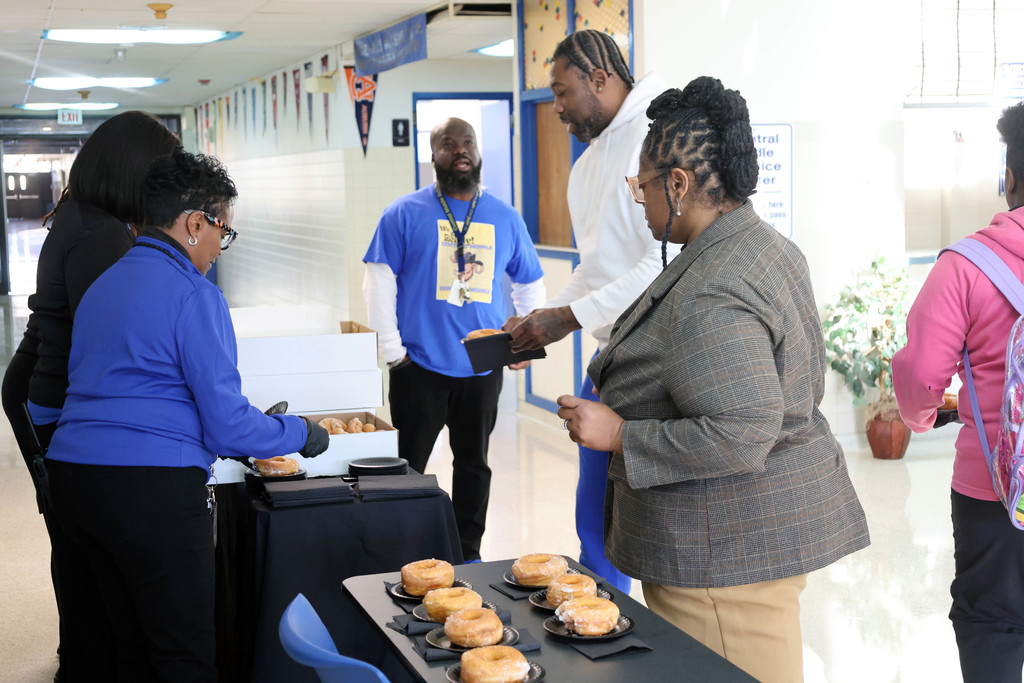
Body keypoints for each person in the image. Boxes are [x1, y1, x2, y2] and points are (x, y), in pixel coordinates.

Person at [555, 77, 870, 683]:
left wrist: (621, 435)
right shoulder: (759, 244)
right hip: (746, 542)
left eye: (640, 187)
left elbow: (741, 432)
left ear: (677, 184)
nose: (638, 202)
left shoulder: (711, 288)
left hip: (723, 557)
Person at [44, 149, 330, 682]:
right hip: (152, 494)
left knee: (129, 645)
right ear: (195, 222)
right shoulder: (195, 295)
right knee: (184, 656)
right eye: (224, 230)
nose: (222, 246)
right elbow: (228, 427)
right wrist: (302, 432)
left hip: (74, 485)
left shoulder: (104, 285)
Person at [0, 110, 181, 681]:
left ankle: (83, 655)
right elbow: (114, 339)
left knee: (77, 542)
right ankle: (83, 662)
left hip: (44, 393)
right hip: (53, 405)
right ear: (132, 171)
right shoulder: (98, 232)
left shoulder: (89, 217)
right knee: (80, 547)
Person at [504, 29, 670, 593]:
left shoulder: (659, 133)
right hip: (612, 360)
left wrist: (568, 318)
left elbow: (667, 264)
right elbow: (595, 269)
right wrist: (541, 319)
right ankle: (602, 631)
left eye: (560, 92)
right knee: (593, 521)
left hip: (666, 366)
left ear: (599, 80)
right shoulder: (585, 168)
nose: (554, 108)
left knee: (652, 530)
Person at [363, 117, 545, 562]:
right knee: (406, 469)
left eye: (468, 142)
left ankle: (468, 552)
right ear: (433, 155)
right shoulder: (404, 214)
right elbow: (379, 280)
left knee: (473, 465)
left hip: (481, 366)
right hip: (418, 366)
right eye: (449, 144)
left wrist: (523, 335)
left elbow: (530, 282)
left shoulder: (504, 216)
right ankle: (398, 553)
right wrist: (393, 353)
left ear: (478, 153)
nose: (460, 150)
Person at [893, 101, 1024, 682]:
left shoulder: (965, 266)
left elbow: (922, 373)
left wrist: (924, 417)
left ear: (1010, 178)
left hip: (992, 487)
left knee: (991, 621)